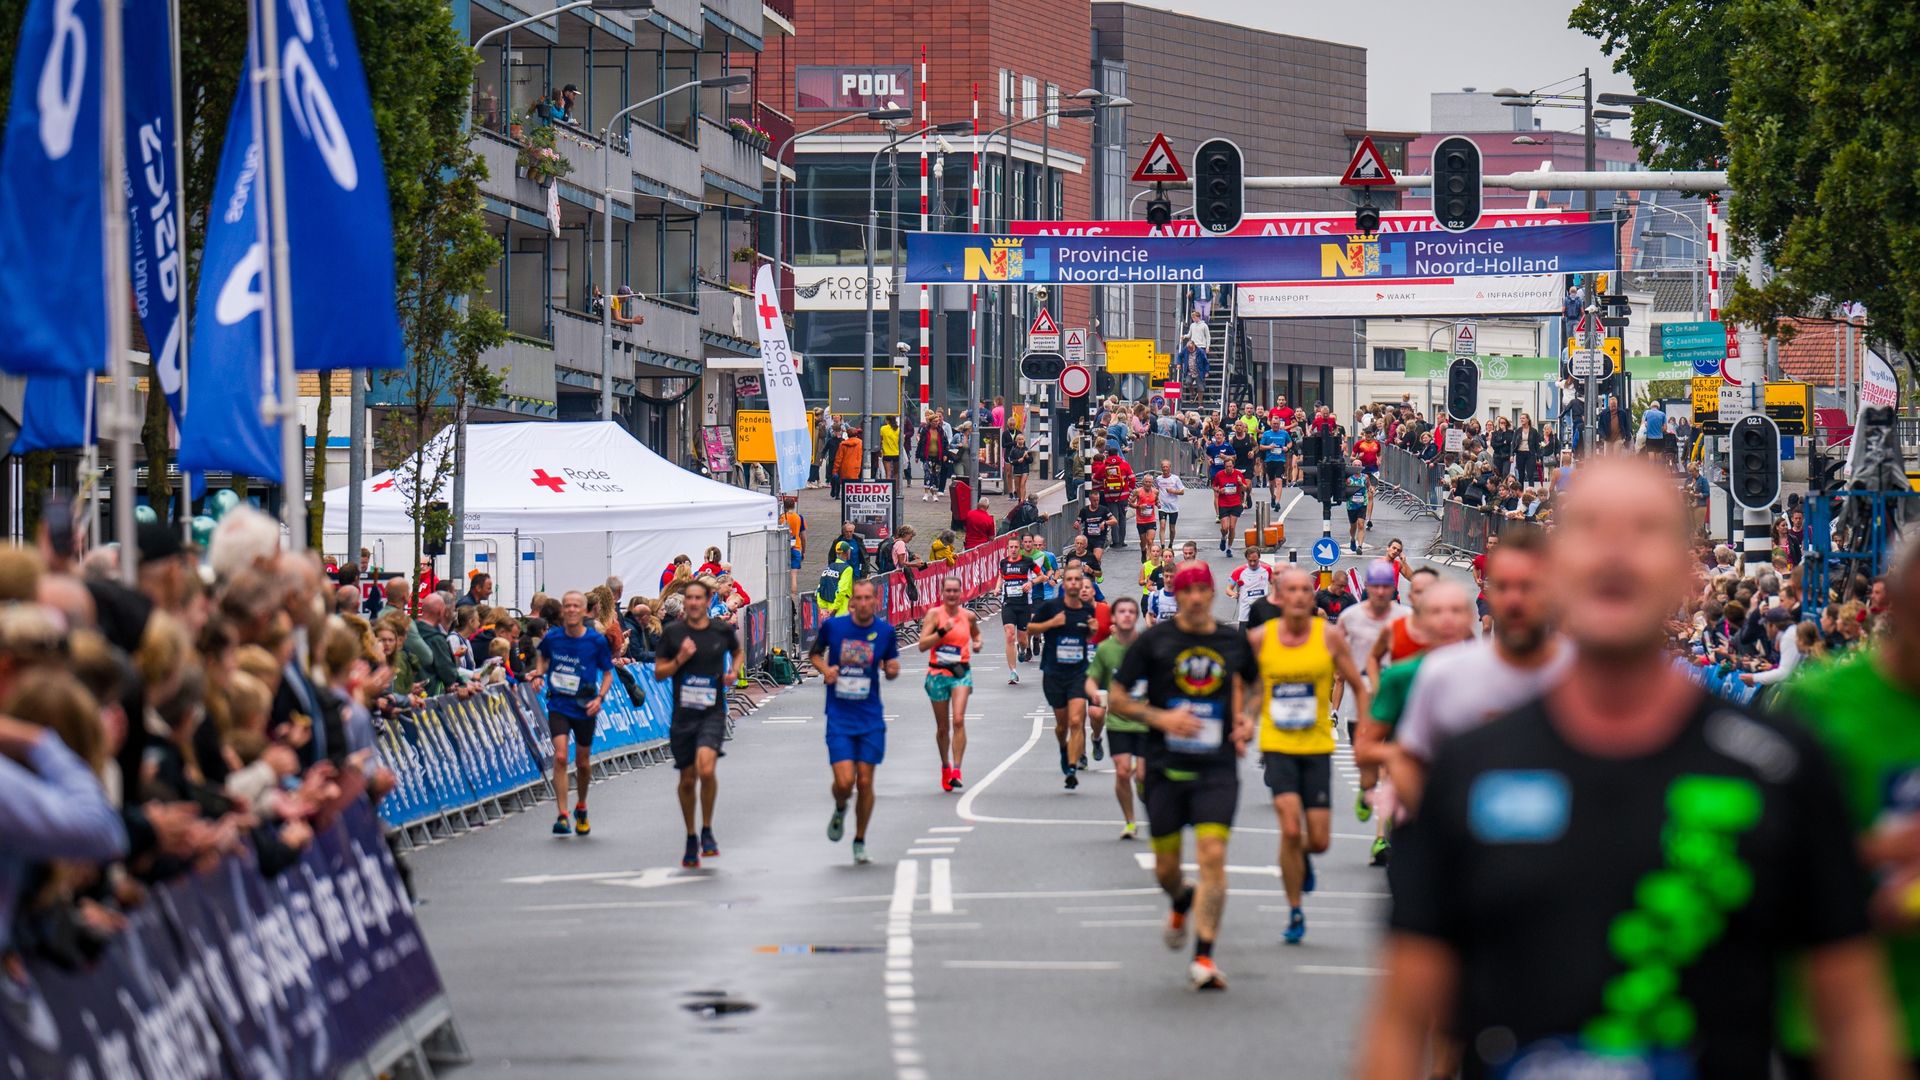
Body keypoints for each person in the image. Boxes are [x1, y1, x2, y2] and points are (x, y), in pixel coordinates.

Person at [1360, 457, 1901, 1080]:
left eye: (1644, 530)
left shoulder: (1779, 769)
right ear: (1557, 569)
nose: (1615, 555)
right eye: (1589, 529)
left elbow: (1852, 1016)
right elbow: (1404, 1020)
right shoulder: (1470, 766)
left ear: (1684, 569)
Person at [1774, 531, 1920, 1077]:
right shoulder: (1820, 706)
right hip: (1831, 1021)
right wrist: (1866, 857)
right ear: (1895, 605)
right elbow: (1760, 853)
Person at [1110, 562, 1257, 990]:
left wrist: (1247, 718)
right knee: (1167, 869)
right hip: (1164, 767)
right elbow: (1118, 697)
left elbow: (1254, 683)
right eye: (1185, 590)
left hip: (1216, 767)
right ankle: (1180, 898)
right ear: (1177, 595)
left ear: (1212, 594)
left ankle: (1204, 957)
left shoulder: (1232, 641)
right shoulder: (1155, 641)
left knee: (1213, 856)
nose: (1193, 597)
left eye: (1201, 590)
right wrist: (1161, 716)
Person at [1250, 567, 1369, 945]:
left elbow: (1357, 685)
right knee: (1288, 826)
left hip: (1317, 745)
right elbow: (1246, 688)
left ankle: (1303, 858)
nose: (1300, 596)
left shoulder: (1331, 637)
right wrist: (1240, 722)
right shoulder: (1259, 640)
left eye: (1306, 590)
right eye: (1293, 590)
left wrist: (1367, 727)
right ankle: (1295, 909)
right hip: (1278, 744)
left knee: (1318, 841)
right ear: (1280, 597)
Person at [810, 580, 900, 866]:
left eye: (867, 598)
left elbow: (890, 665)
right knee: (845, 782)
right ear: (853, 602)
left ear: (875, 601)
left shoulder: (885, 632)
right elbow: (814, 654)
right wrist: (826, 669)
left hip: (870, 716)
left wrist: (893, 670)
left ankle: (859, 840)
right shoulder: (834, 628)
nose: (862, 603)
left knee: (864, 781)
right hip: (839, 715)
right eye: (858, 598)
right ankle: (839, 806)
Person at [655, 580, 743, 869]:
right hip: (684, 715)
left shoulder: (719, 630)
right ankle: (691, 835)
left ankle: (706, 828)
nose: (693, 603)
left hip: (712, 713)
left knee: (706, 768)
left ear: (707, 601)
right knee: (687, 778)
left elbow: (737, 650)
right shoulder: (673, 633)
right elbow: (659, 673)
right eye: (688, 598)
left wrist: (733, 671)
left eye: (698, 598)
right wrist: (680, 658)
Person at [1335, 560, 1410, 857]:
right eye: (1375, 586)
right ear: (1367, 587)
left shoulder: (1405, 617)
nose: (1380, 592)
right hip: (1361, 702)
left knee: (1389, 771)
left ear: (1393, 589)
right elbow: (1335, 649)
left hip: (1394, 701)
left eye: (1386, 587)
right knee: (1369, 774)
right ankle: (1366, 793)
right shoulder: (1350, 617)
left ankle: (1383, 838)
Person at [533, 589, 616, 836]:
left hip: (585, 706)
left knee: (582, 762)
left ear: (583, 611)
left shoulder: (595, 641)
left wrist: (600, 698)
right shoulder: (554, 637)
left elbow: (608, 673)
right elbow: (542, 657)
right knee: (560, 757)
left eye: (575, 606)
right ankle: (562, 814)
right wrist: (539, 674)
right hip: (559, 704)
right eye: (566, 605)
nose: (570, 609)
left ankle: (581, 805)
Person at [1029, 566, 1097, 791]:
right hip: (1054, 672)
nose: (1074, 583)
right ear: (1064, 583)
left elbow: (1084, 636)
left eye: (1078, 579)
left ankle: (1071, 766)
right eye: (1070, 579)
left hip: (1078, 673)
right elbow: (1030, 629)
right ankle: (1062, 748)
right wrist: (1051, 624)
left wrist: (1091, 631)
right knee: (1062, 725)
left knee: (1077, 721)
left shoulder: (1088, 610)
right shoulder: (1051, 607)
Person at [1087, 595, 1147, 839]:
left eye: (1131, 612)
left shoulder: (1147, 646)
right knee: (1123, 772)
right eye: (1121, 611)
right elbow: (1091, 680)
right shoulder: (1105, 649)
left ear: (1136, 616)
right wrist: (1095, 694)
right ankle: (1130, 822)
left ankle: (1144, 789)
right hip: (1118, 721)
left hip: (1145, 721)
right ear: (1114, 618)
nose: (1126, 615)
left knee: (1142, 775)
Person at [919, 576, 983, 793]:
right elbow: (922, 645)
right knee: (943, 727)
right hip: (937, 673)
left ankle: (957, 769)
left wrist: (977, 643)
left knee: (958, 720)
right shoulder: (934, 615)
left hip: (960, 672)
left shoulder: (968, 616)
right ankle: (945, 767)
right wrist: (942, 631)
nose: (952, 595)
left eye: (956, 591)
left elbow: (976, 634)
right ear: (942, 593)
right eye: (948, 591)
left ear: (961, 592)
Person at [998, 534, 1039, 683]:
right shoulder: (1003, 563)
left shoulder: (1027, 562)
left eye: (1016, 547)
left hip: (1024, 605)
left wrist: (1031, 583)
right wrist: (997, 588)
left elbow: (1041, 576)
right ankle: (1013, 672)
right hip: (1008, 603)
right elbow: (1000, 577)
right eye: (1011, 547)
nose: (1013, 550)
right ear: (1007, 549)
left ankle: (1022, 650)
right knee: (1009, 635)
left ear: (1019, 548)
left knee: (1022, 639)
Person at [1094, 443, 1136, 550]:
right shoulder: (1124, 464)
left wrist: (1103, 484)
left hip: (1110, 496)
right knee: (1122, 518)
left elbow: (1095, 478)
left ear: (1108, 454)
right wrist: (1129, 490)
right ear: (1117, 454)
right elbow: (1132, 479)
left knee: (1114, 518)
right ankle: (1122, 541)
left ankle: (1115, 541)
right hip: (1123, 495)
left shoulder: (1105, 465)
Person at [1210, 455, 1248, 556]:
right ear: (1224, 466)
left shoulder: (1238, 474)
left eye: (1231, 466)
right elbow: (1214, 486)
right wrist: (1218, 490)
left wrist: (1240, 483)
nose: (1229, 468)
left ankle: (1229, 548)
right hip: (1223, 503)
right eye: (1227, 466)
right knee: (1225, 528)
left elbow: (1245, 488)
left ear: (1233, 466)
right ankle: (1223, 538)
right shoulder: (1219, 474)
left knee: (1232, 527)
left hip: (1235, 503)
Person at [1226, 546, 1271, 628]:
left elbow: (1275, 584)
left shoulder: (1267, 569)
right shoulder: (1238, 571)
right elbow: (1228, 589)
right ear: (1246, 558)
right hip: (1245, 612)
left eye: (1255, 560)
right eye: (1250, 561)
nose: (1252, 563)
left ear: (1259, 557)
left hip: (1262, 610)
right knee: (1243, 638)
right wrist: (1235, 594)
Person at [1258, 415, 1291, 510]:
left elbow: (1290, 442)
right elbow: (1261, 447)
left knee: (1279, 481)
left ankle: (1277, 502)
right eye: (1274, 424)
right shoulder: (1266, 434)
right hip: (1269, 460)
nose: (1275, 425)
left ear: (1280, 424)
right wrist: (1269, 447)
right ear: (1271, 424)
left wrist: (1287, 447)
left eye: (1277, 424)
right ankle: (1273, 496)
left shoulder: (1284, 433)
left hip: (1280, 460)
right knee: (1271, 482)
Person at [816, 542, 854, 620]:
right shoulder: (847, 569)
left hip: (828, 610)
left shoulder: (829, 567)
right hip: (842, 610)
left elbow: (820, 588)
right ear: (846, 553)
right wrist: (835, 609)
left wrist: (823, 607)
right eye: (849, 550)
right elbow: (841, 590)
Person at [1153, 460, 1187, 543]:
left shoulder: (1175, 478)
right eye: (1163, 467)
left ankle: (1171, 544)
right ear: (1161, 468)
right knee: (1162, 526)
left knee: (1172, 529)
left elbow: (1182, 492)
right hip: (1162, 506)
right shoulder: (1158, 479)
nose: (1165, 469)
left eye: (1166, 467)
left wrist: (1173, 491)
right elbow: (1157, 491)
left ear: (1170, 468)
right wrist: (1156, 500)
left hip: (1173, 507)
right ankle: (1163, 546)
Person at [781, 496, 806, 600]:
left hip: (783, 548)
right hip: (796, 547)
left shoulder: (782, 517)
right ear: (794, 505)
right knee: (794, 575)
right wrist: (803, 550)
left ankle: (782, 594)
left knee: (782, 573)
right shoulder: (799, 517)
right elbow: (803, 536)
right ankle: (793, 596)